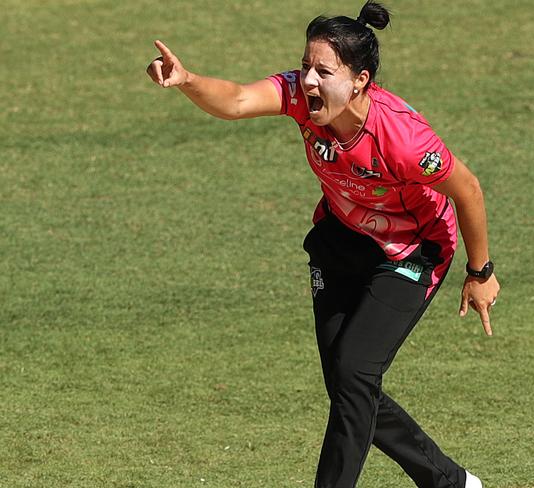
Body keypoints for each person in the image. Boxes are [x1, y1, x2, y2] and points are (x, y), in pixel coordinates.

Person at [146, 2, 500, 487]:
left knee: (354, 373)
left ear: (361, 80)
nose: (308, 80)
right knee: (348, 382)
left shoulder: (403, 139)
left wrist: (480, 272)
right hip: (341, 239)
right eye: (306, 66)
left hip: (411, 250)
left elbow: (468, 189)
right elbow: (236, 101)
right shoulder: (300, 95)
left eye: (324, 71)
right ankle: (450, 482)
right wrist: (186, 79)